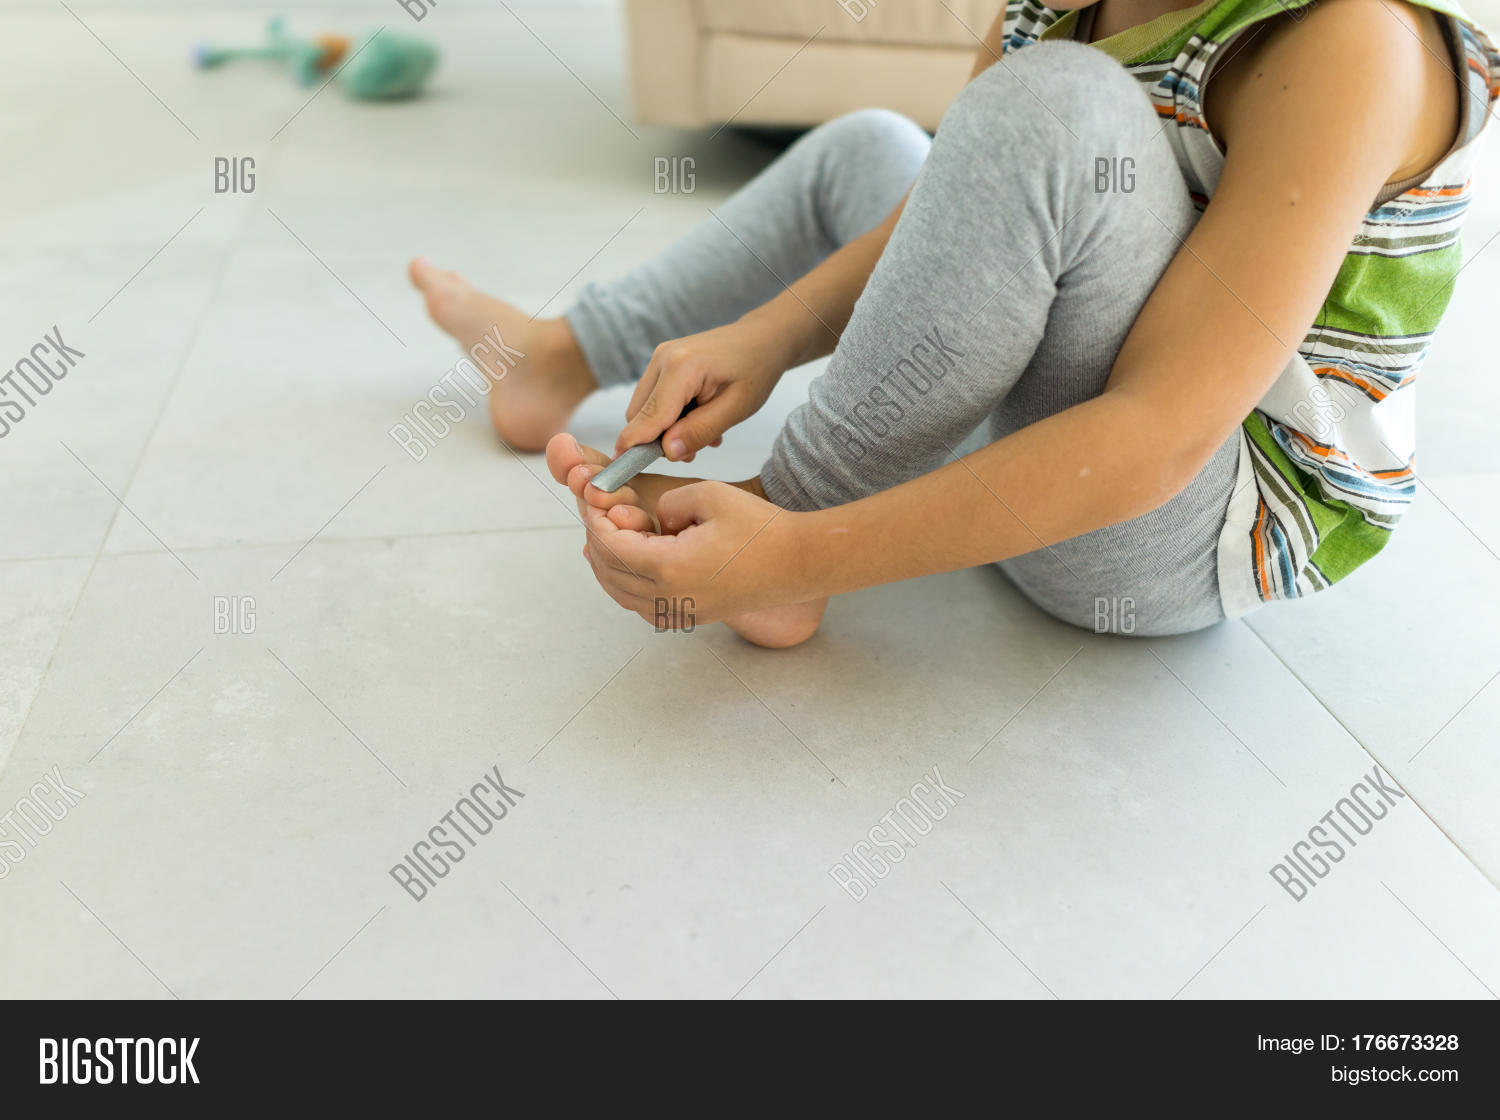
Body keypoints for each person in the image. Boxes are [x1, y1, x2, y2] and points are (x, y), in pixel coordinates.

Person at [410, 0, 1499, 647]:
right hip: (1061, 415)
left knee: (1056, 105)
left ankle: (788, 529)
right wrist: (770, 336)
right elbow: (948, 215)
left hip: (1173, 524)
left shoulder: (1351, 41)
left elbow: (1161, 432)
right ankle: (560, 360)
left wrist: (791, 549)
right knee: (880, 147)